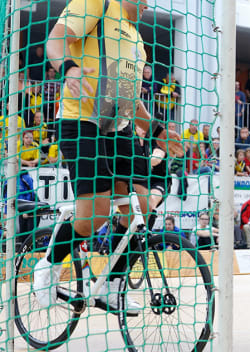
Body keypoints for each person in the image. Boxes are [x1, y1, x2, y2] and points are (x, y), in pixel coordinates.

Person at [34, 0, 182, 313]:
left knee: (141, 206)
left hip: (119, 127)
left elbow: (130, 100)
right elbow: (56, 39)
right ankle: (47, 265)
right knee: (96, 212)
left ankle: (112, 287)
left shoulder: (139, 41)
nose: (146, 5)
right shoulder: (97, 4)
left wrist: (157, 133)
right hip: (81, 121)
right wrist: (70, 69)